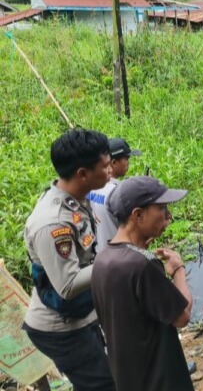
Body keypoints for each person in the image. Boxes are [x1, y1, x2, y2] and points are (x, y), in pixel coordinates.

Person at [22, 129, 114, 391]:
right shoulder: (53, 223)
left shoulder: (77, 199)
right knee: (104, 385)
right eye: (105, 166)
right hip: (59, 327)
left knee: (100, 379)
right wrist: (114, 260)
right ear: (82, 173)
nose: (110, 171)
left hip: (81, 313)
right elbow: (68, 284)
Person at [92, 176, 192, 390]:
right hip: (159, 380)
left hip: (127, 378)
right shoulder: (143, 264)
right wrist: (178, 269)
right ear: (138, 215)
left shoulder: (102, 258)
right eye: (162, 209)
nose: (168, 217)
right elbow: (182, 316)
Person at [86, 137, 142, 252]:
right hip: (120, 254)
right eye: (126, 158)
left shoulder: (91, 187)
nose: (128, 162)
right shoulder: (119, 193)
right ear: (114, 162)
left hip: (98, 253)